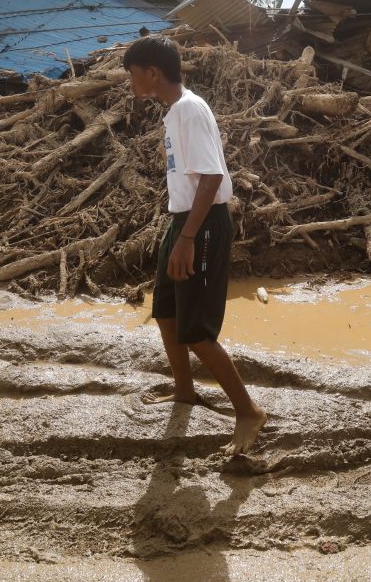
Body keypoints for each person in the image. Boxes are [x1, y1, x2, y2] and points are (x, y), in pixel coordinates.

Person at [122, 35, 267, 456]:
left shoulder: (189, 110)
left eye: (133, 74)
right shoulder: (174, 112)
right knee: (166, 310)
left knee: (198, 332)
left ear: (152, 72)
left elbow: (212, 178)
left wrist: (187, 239)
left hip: (200, 226)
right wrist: (179, 231)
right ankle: (185, 391)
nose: (130, 82)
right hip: (184, 221)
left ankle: (248, 412)